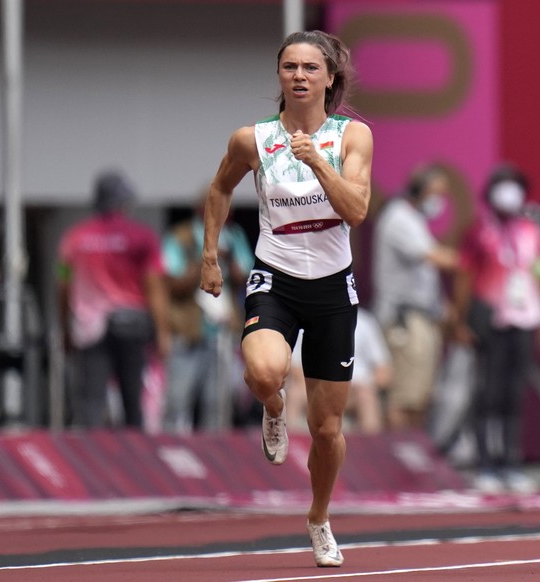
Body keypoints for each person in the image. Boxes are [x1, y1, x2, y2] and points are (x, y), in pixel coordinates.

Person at [200, 30, 373, 568]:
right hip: (274, 274)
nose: (298, 76)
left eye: (309, 68)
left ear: (329, 78)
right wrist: (210, 254)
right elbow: (220, 188)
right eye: (289, 67)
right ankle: (273, 409)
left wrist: (319, 163)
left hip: (331, 287)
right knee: (263, 372)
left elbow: (357, 210)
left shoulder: (352, 137)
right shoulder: (252, 139)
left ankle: (318, 516)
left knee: (326, 430)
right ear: (279, 76)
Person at [453, 163, 540, 494]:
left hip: (524, 319)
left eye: (515, 185)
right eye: (503, 185)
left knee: (514, 393)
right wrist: (461, 320)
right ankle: (486, 464)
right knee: (489, 391)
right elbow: (465, 277)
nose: (509, 192)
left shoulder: (532, 231)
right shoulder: (480, 231)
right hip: (491, 320)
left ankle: (510, 464)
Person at [58, 170, 170, 429]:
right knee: (133, 400)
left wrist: (65, 328)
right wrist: (162, 331)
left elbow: (62, 283)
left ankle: (91, 461)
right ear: (123, 202)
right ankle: (133, 460)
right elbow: (154, 285)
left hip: (90, 328)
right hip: (132, 326)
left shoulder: (74, 239)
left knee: (91, 402)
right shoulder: (143, 237)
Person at [372, 163, 458, 431]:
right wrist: (474, 260)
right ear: (419, 191)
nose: (439, 201)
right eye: (436, 193)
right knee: (404, 398)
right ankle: (399, 461)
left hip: (421, 318)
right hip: (405, 320)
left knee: (419, 398)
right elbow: (434, 257)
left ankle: (414, 459)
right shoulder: (398, 218)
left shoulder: (415, 220)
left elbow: (425, 276)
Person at [163, 194, 253, 433]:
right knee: (178, 401)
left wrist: (229, 257)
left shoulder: (233, 237)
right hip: (188, 333)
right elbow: (172, 283)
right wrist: (205, 262)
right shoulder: (180, 237)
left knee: (217, 405)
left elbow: (244, 277)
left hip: (220, 336)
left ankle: (211, 457)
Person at [287, 307, 392, 435]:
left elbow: (383, 368)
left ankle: (371, 448)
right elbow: (295, 364)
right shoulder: (307, 318)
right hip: (315, 388)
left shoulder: (365, 322)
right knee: (294, 394)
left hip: (353, 391)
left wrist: (367, 385)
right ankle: (290, 447)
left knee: (366, 397)